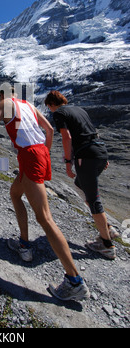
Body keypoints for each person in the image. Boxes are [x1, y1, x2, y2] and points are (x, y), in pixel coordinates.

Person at [0, 90, 90, 302]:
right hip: (38, 153)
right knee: (15, 193)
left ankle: (75, 281)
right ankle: (24, 244)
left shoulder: (4, 104)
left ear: (3, 95)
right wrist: (43, 152)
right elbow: (48, 129)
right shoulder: (28, 105)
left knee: (44, 218)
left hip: (30, 154)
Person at [45, 90, 117, 260]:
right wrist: (101, 156)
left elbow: (66, 137)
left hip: (86, 155)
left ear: (51, 104)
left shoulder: (59, 113)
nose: (50, 110)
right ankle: (108, 228)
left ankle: (106, 245)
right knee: (79, 185)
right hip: (99, 150)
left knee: (93, 199)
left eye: (49, 107)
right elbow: (91, 131)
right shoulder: (79, 110)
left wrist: (68, 162)